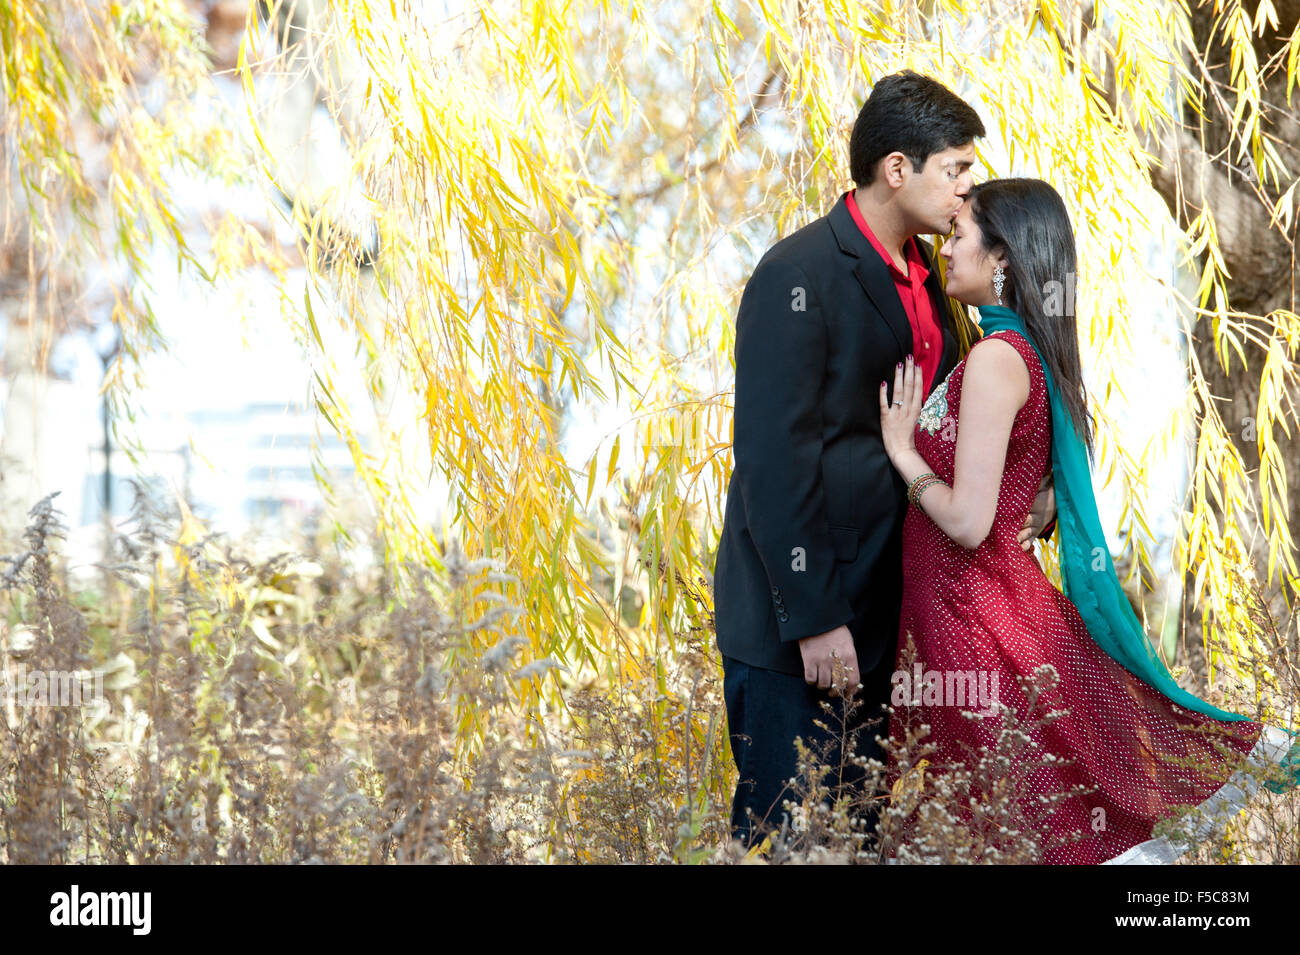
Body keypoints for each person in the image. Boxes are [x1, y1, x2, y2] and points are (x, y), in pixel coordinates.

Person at [878, 177, 1300, 864]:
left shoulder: (994, 360)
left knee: (1004, 822)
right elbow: (1022, 483)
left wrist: (901, 451)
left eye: (958, 235)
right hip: (962, 615)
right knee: (1000, 818)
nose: (945, 248)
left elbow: (966, 520)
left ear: (1003, 258)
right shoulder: (1013, 355)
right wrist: (1038, 504)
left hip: (971, 622)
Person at [711, 72, 1058, 850]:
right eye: (956, 169)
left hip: (890, 624)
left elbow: (971, 421)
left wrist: (1036, 495)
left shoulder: (936, 285)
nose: (970, 191)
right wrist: (815, 617)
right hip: (797, 630)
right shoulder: (798, 275)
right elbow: (774, 460)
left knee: (858, 840)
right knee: (789, 839)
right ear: (897, 169)